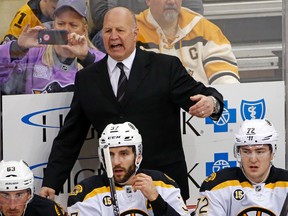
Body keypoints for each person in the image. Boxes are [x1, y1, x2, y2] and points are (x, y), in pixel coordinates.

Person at [40, 6, 224, 202]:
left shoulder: (165, 67)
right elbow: (70, 137)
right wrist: (51, 182)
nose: (113, 36)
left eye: (120, 30)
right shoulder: (87, 78)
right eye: (108, 30)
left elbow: (204, 95)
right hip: (113, 191)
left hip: (164, 186)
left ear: (135, 33)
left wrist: (212, 103)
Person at [67, 122, 190, 215]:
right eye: (110, 154)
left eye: (124, 153)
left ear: (138, 156)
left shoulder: (163, 184)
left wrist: (156, 199)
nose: (116, 162)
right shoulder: (85, 193)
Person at [0, 0, 105, 94]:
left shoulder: (96, 57)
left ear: (84, 29)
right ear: (53, 25)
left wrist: (86, 58)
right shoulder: (35, 53)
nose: (66, 30)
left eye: (73, 25)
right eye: (61, 23)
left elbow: (114, 85)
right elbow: (3, 78)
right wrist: (17, 47)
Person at [193, 119, 288, 215]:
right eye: (246, 151)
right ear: (238, 152)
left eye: (260, 152)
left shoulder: (286, 184)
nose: (253, 159)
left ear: (272, 153)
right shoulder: (216, 186)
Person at [136, 0, 240, 85]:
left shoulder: (204, 29)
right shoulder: (132, 33)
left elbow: (226, 78)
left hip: (202, 106)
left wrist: (213, 101)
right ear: (148, 1)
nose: (171, 1)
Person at [89, 0, 204, 52]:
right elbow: (101, 16)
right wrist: (146, 22)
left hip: (169, 28)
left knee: (199, 31)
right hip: (129, 31)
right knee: (107, 36)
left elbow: (194, 12)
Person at [0, 160, 66, 216]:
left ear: (29, 194)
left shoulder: (47, 211)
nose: (12, 206)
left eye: (19, 195)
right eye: (5, 195)